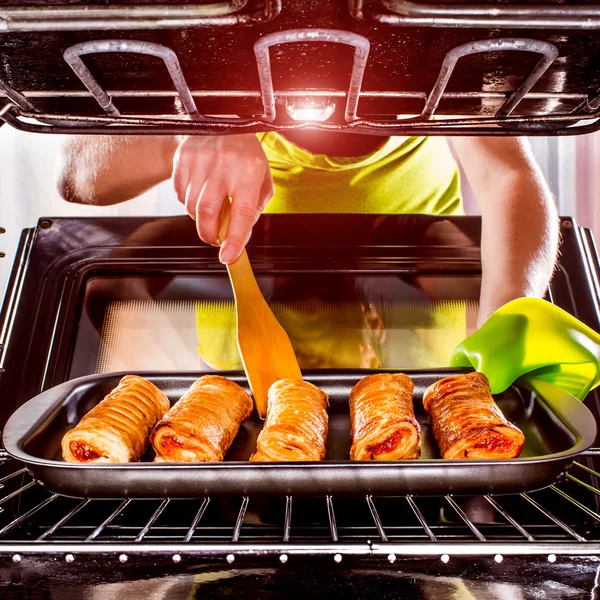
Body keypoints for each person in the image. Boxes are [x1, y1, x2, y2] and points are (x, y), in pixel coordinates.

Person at [56, 131, 559, 331]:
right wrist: (192, 126)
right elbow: (78, 175)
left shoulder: (425, 35)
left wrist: (512, 319)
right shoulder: (206, 35)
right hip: (243, 356)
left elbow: (509, 174)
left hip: (416, 348)